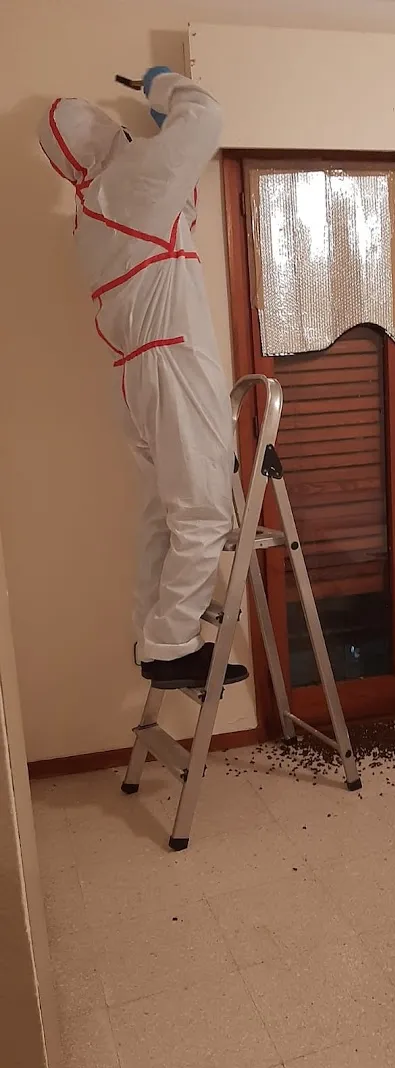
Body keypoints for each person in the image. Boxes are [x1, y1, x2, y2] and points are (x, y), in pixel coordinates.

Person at [38, 67, 248, 690]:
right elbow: (206, 115)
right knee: (204, 510)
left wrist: (165, 137)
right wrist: (164, 87)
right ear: (97, 134)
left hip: (137, 372)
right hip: (172, 362)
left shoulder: (93, 212)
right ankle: (171, 644)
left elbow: (176, 211)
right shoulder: (125, 183)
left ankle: (154, 638)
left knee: (163, 512)